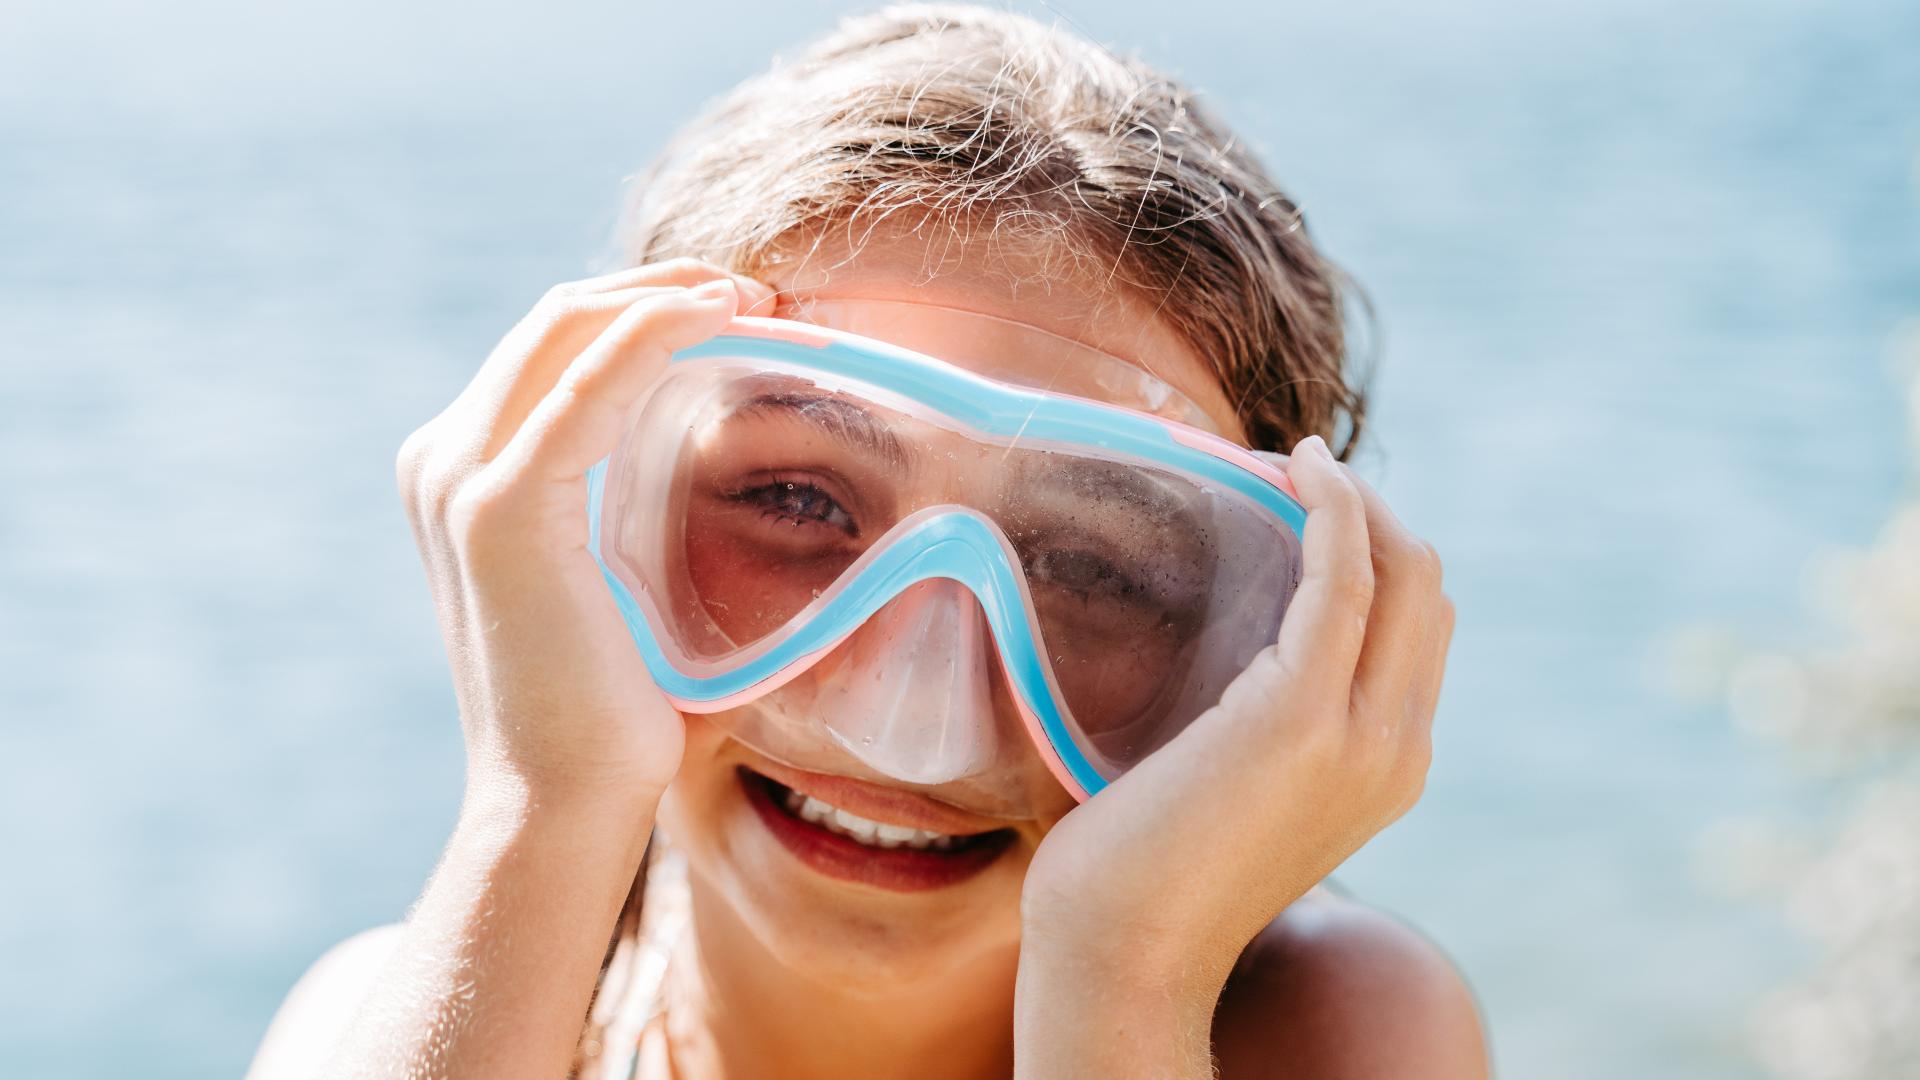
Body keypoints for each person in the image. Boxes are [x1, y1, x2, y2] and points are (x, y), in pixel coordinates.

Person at [249, 6, 1484, 1077]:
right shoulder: (384, 1024)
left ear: (1259, 654)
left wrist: (1126, 974)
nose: (906, 718)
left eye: (1092, 570)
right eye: (793, 501)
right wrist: (543, 800)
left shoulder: (1326, 1031)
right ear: (583, 513)